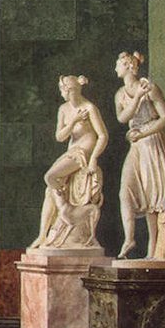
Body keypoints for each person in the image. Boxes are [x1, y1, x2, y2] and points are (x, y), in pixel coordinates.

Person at [30, 75, 108, 250]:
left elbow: (103, 136)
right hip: (71, 153)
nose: (60, 93)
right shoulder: (63, 109)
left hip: (83, 154)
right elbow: (60, 137)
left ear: (70, 90)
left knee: (50, 177)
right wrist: (73, 121)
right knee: (49, 189)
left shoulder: (89, 108)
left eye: (62, 89)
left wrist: (94, 158)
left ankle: (65, 214)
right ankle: (43, 235)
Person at [114, 51, 165, 261]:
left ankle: (153, 251)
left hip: (152, 143)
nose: (115, 68)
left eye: (118, 64)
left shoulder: (150, 88)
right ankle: (129, 239)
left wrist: (143, 133)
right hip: (136, 145)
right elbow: (123, 118)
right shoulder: (120, 94)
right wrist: (137, 98)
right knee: (125, 191)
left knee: (153, 198)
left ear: (128, 66)